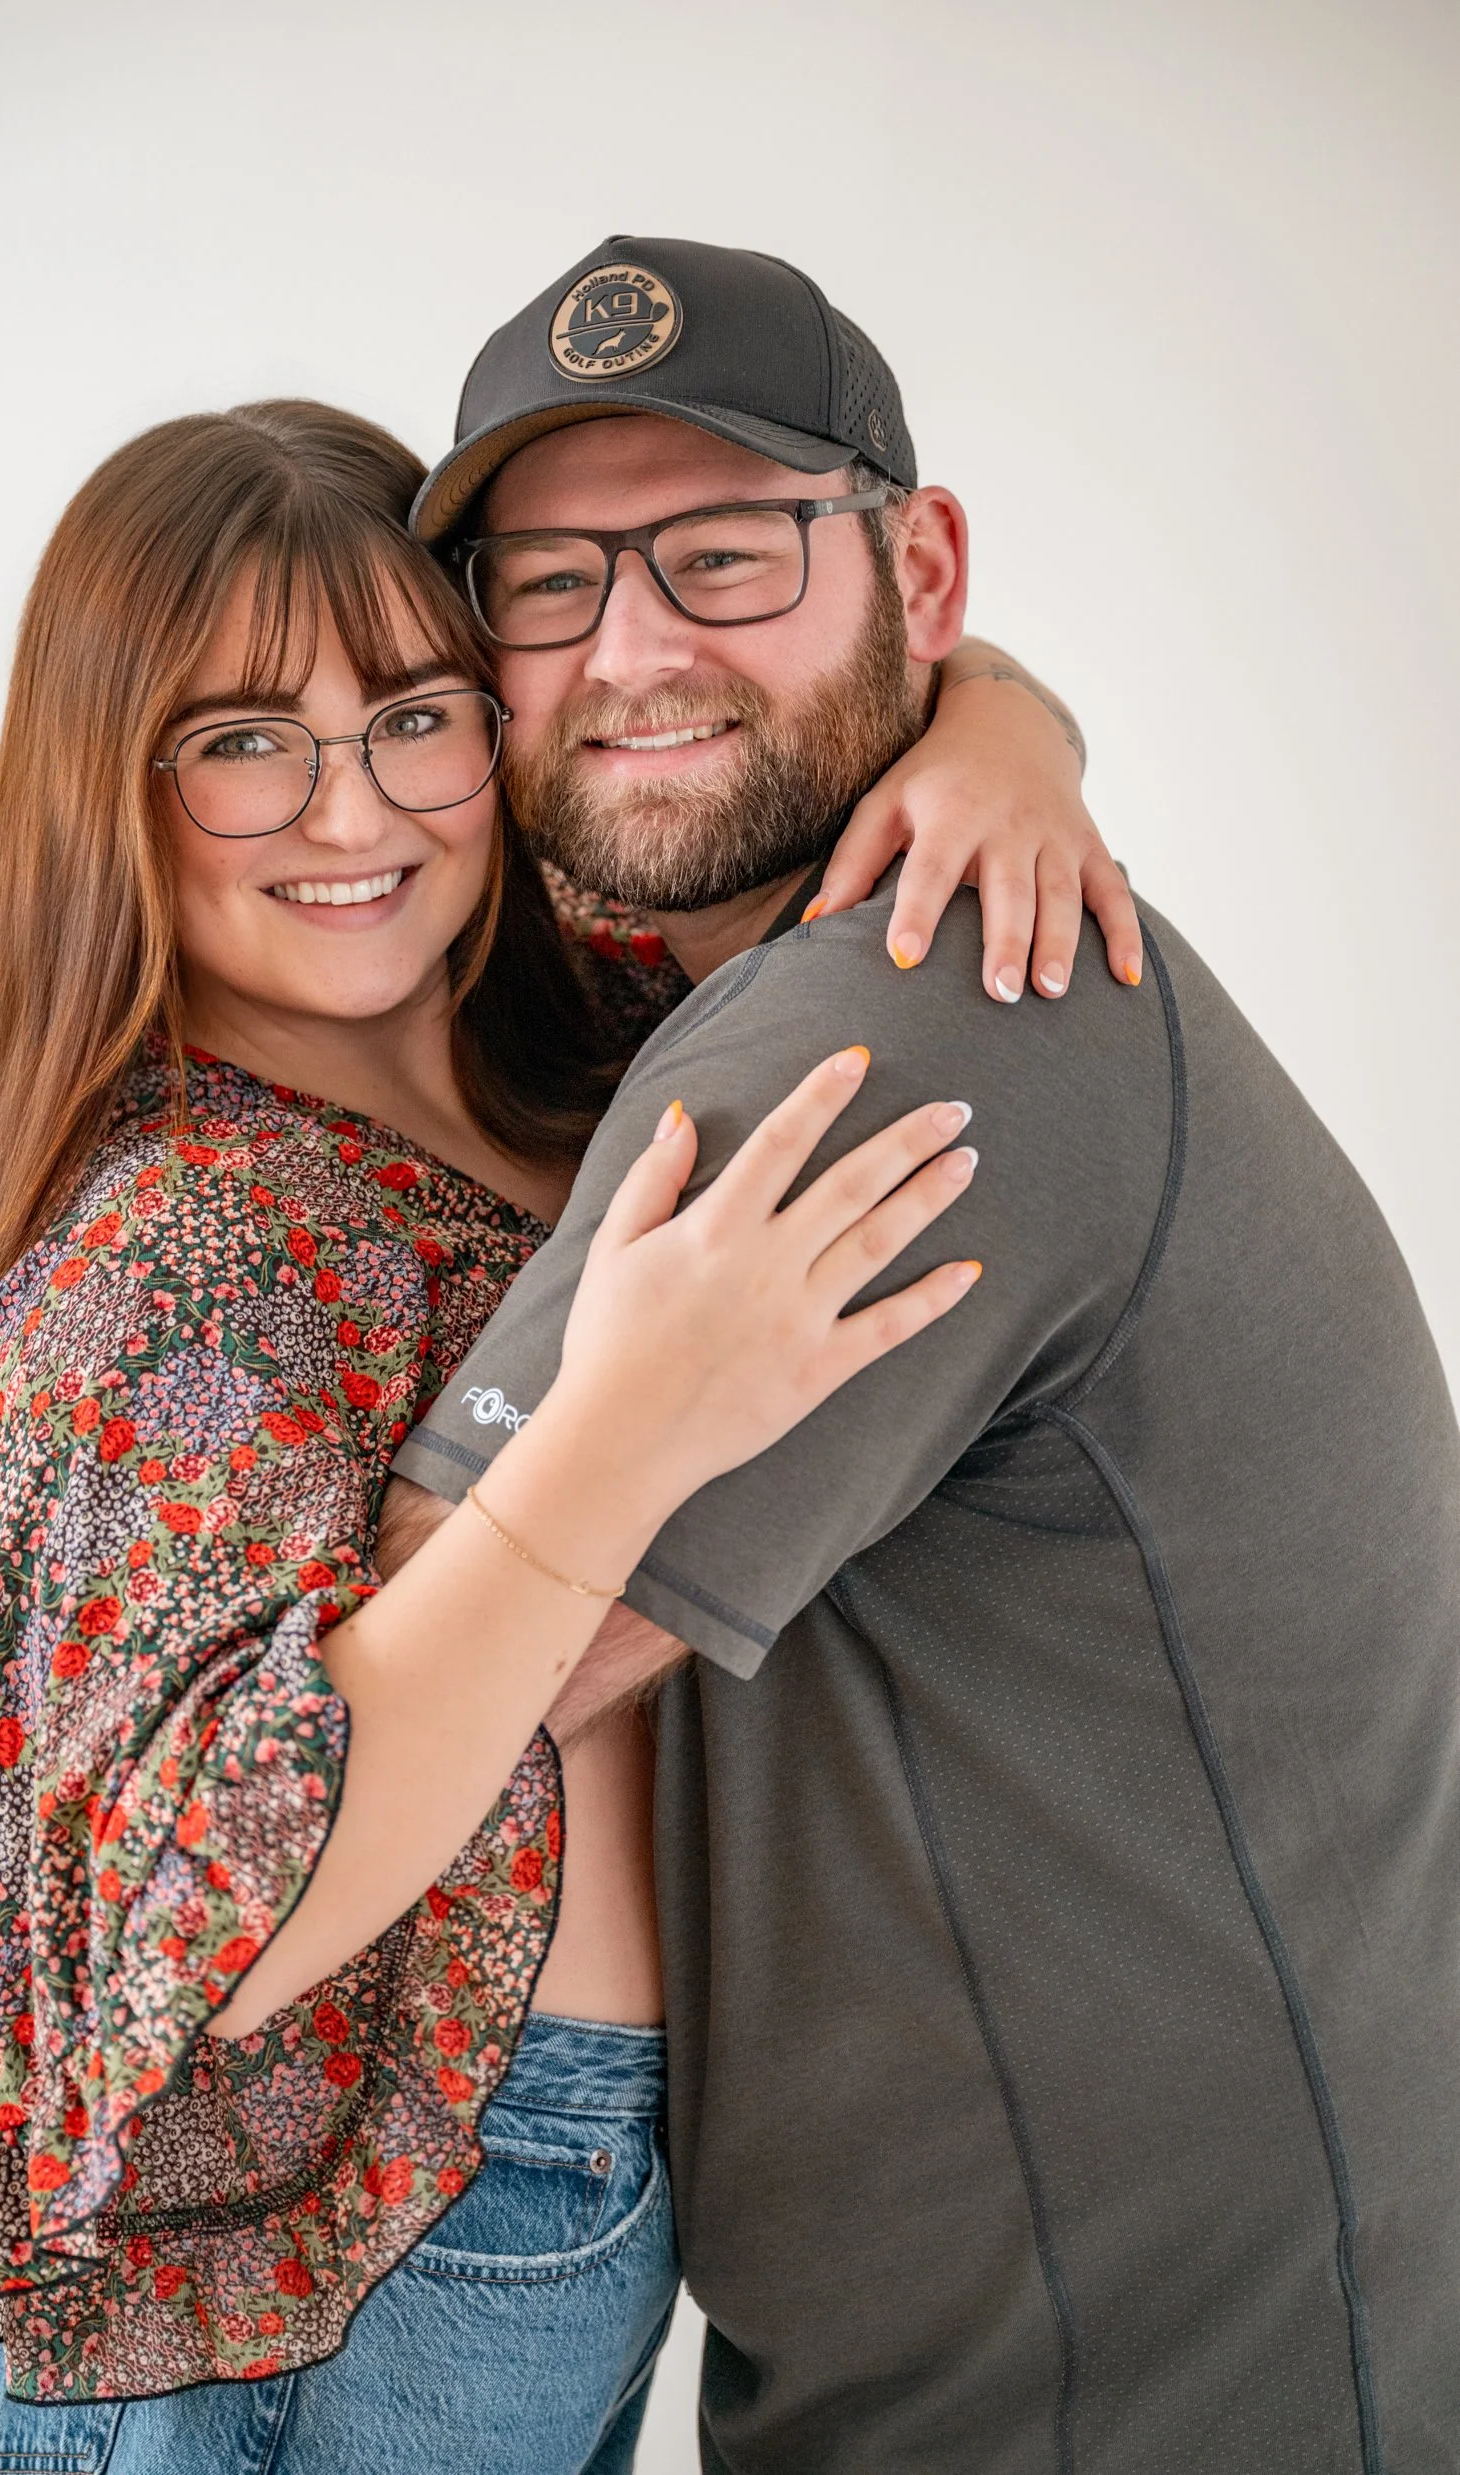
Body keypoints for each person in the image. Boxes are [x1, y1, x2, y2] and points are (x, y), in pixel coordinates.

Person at [0, 397, 1123, 2474]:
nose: (349, 811)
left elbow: (823, 728)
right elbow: (224, 1925)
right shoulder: (163, 1260)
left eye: (417, 718)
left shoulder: (571, 1040)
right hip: (300, 2254)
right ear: (118, 788)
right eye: (243, 740)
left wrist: (1006, 726)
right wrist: (621, 1431)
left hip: (562, 2166)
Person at [390, 235, 1460, 2473]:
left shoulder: (901, 1004)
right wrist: (1006, 713)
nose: (635, 646)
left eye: (721, 551)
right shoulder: (807, 929)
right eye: (549, 582)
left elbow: (412, 1690)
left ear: (919, 562)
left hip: (1115, 2404)